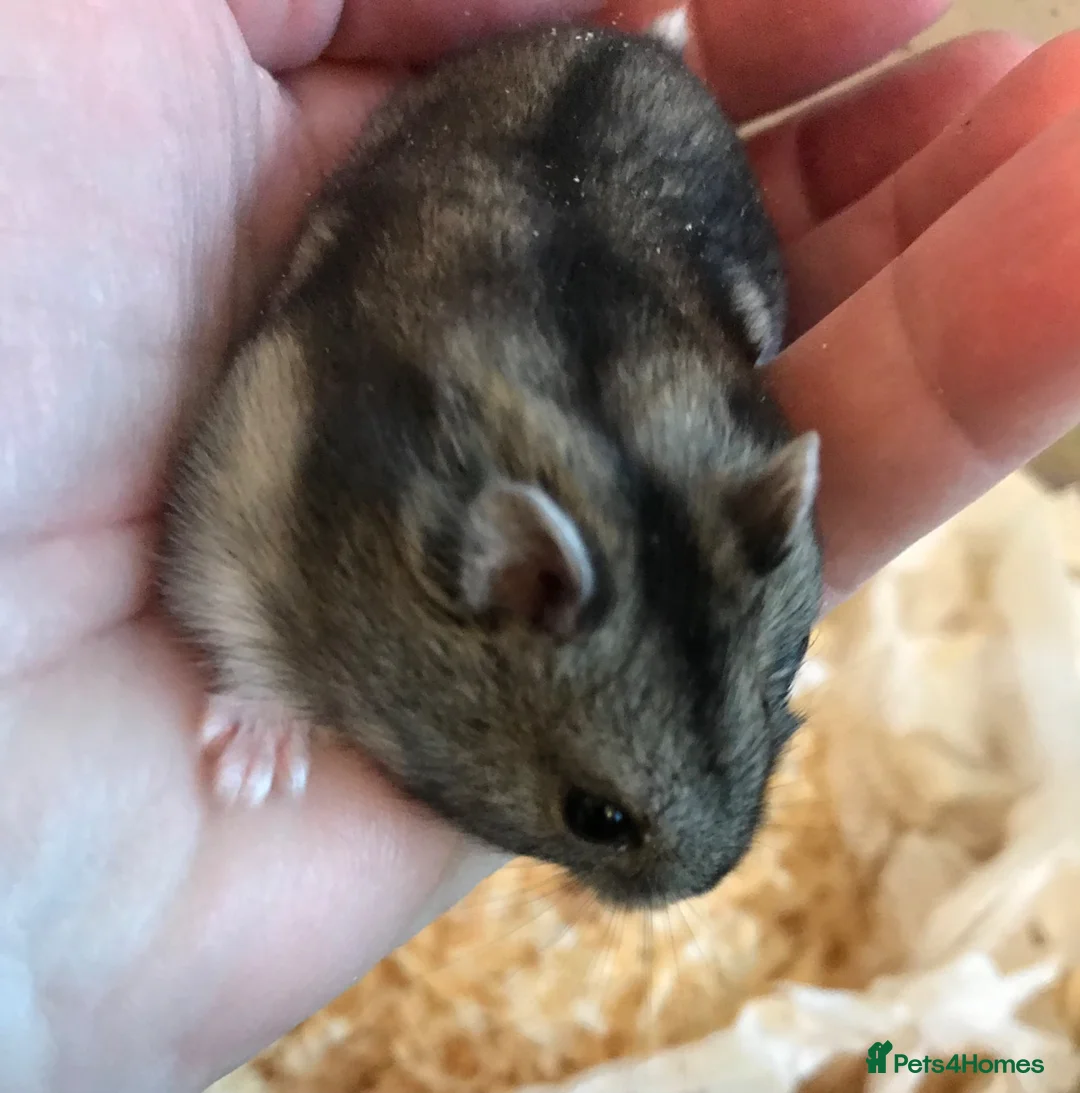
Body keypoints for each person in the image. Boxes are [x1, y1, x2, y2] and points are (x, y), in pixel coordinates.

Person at [1, 0, 1077, 1089]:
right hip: (502, 177)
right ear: (509, 582)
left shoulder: (735, 467)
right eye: (595, 815)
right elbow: (258, 461)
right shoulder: (357, 486)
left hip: (624, 186)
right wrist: (260, 680)